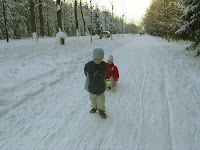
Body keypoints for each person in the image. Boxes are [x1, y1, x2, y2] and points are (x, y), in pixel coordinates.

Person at [84, 48, 108, 118]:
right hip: (92, 87)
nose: (98, 60)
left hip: (100, 86)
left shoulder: (104, 65)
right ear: (93, 58)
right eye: (96, 58)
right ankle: (94, 107)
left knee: (101, 100)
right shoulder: (89, 65)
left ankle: (101, 110)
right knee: (92, 99)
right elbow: (86, 72)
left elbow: (106, 71)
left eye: (100, 59)